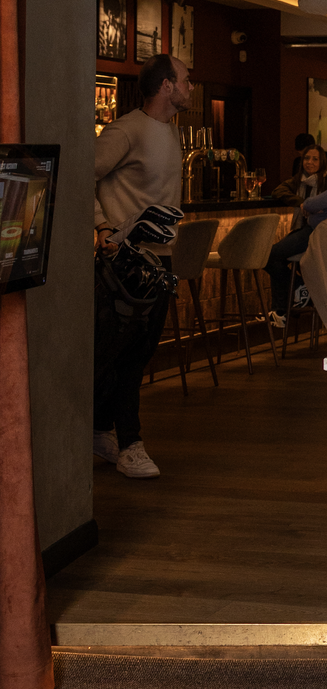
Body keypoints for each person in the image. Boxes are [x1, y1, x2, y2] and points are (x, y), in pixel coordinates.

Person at [93, 53, 193, 478]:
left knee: (139, 353)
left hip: (161, 260)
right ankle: (130, 443)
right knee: (120, 358)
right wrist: (101, 226)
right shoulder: (126, 130)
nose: (191, 86)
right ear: (166, 85)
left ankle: (100, 429)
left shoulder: (171, 134)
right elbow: (81, 173)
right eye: (187, 79)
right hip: (124, 263)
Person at [264, 142, 327, 327]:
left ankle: (301, 289)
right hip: (323, 237)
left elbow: (311, 204)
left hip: (319, 237)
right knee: (274, 256)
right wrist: (314, 205)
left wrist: (311, 206)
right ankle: (285, 307)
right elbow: (310, 202)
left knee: (268, 255)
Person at [272, 144, 327, 208]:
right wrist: (301, 202)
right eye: (306, 158)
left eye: (315, 159)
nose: (309, 162)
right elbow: (277, 191)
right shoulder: (301, 178)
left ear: (322, 161)